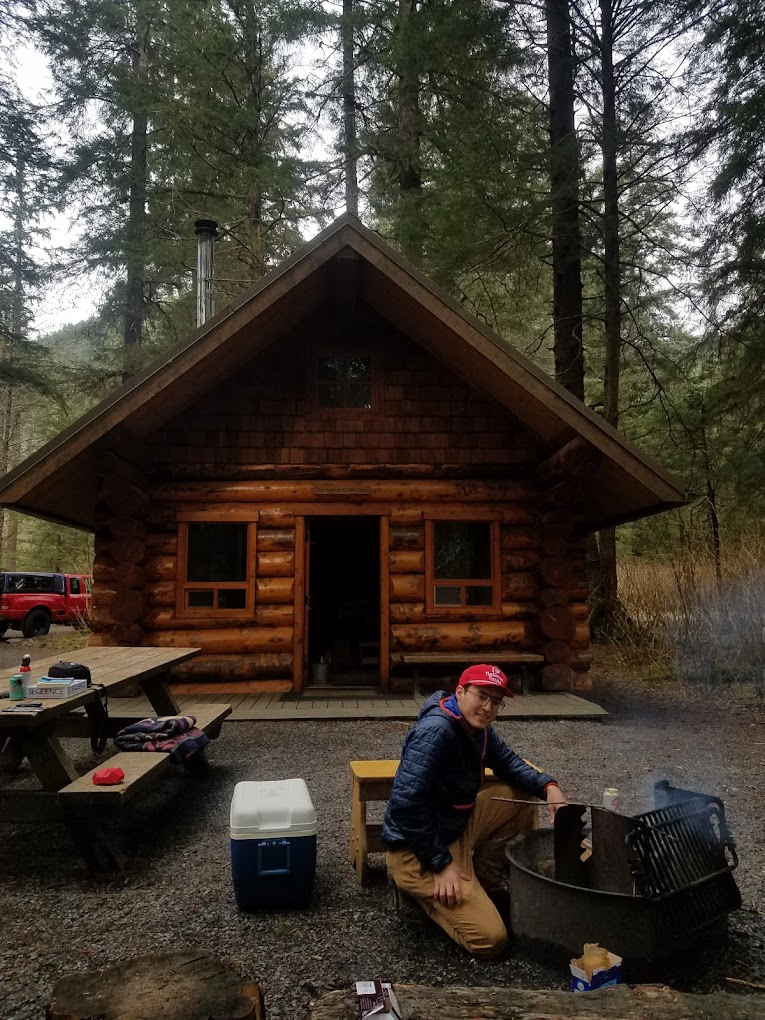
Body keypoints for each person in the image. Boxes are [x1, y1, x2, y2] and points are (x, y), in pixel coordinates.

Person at [381, 663, 566, 958]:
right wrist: (440, 864)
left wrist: (548, 786)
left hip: (453, 827)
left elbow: (509, 762)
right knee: (492, 941)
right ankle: (419, 898)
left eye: (496, 702)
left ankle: (486, 881)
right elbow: (405, 806)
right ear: (460, 692)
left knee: (518, 796)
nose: (487, 707)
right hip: (416, 851)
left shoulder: (476, 729)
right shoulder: (436, 732)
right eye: (481, 696)